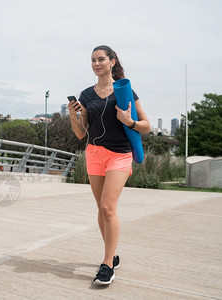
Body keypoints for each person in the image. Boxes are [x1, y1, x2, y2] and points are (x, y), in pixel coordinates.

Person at [68, 45, 151, 285]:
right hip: (94, 153)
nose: (96, 63)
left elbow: (147, 125)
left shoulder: (124, 91)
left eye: (101, 59)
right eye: (93, 60)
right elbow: (81, 133)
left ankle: (106, 265)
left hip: (120, 154)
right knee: (100, 209)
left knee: (107, 208)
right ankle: (112, 255)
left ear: (112, 61)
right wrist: (74, 115)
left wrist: (130, 121)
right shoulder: (86, 95)